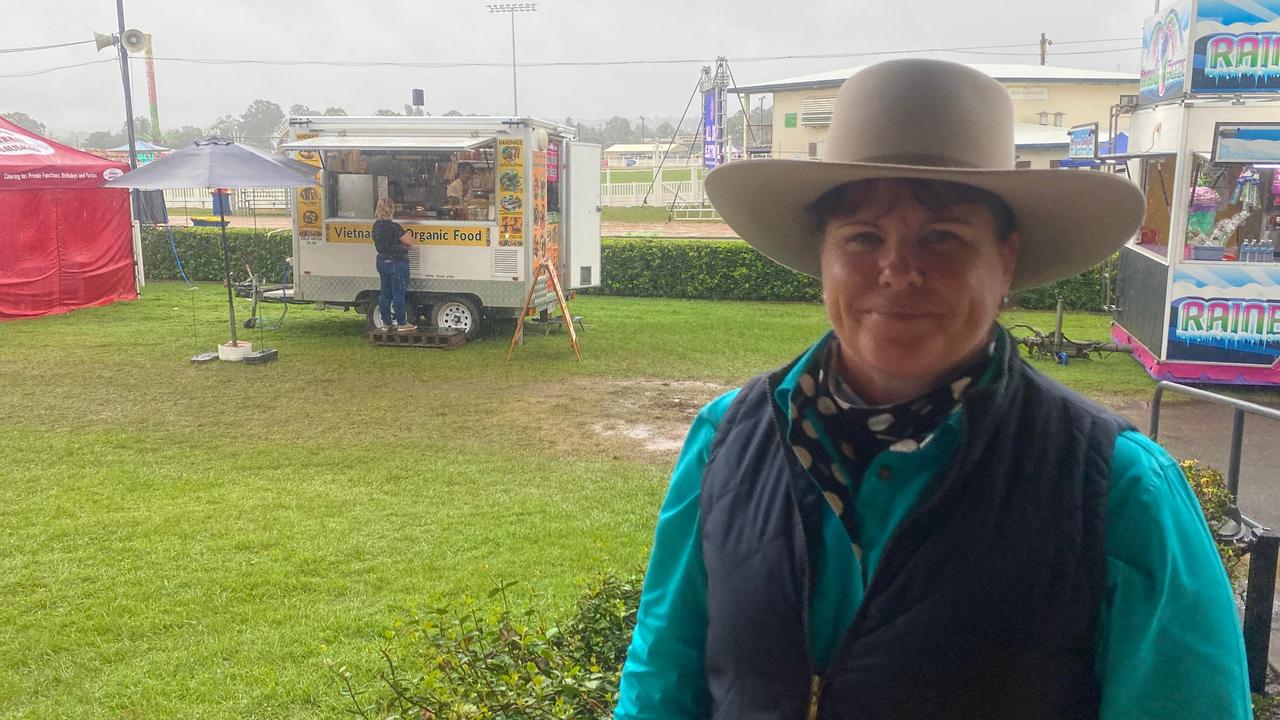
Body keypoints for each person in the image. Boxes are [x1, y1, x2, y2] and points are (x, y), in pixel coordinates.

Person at [614, 59, 1250, 720]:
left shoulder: (1119, 489)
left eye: (941, 238)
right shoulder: (725, 440)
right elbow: (660, 683)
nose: (898, 270)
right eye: (863, 237)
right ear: (821, 259)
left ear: (1004, 261)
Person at [372, 197, 415, 332]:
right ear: (392, 209)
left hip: (382, 261)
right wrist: (406, 236)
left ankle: (386, 323)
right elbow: (409, 242)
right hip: (397, 262)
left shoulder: (376, 226)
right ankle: (402, 323)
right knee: (398, 294)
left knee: (385, 293)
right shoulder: (394, 227)